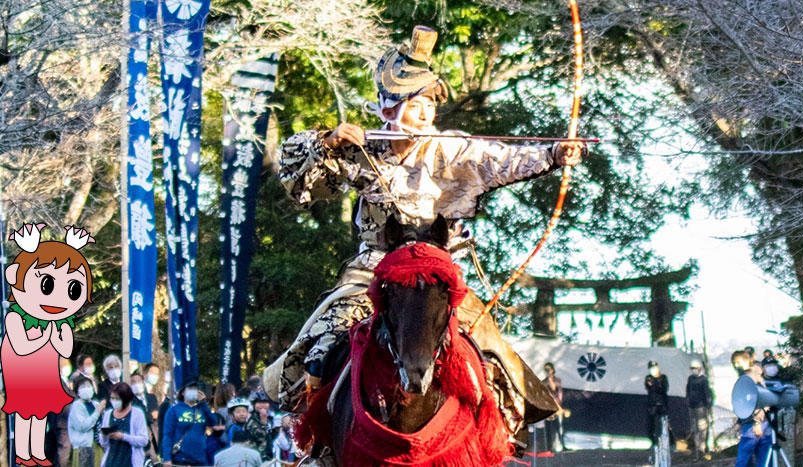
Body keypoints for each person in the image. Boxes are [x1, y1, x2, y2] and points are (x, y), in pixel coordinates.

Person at [273, 25, 584, 434]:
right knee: (326, 338)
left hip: (438, 275)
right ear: (389, 109)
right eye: (415, 106)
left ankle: (503, 425)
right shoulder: (362, 149)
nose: (426, 114)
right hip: (374, 271)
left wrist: (552, 153)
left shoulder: (450, 148)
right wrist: (327, 142)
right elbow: (297, 178)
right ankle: (316, 429)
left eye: (428, 106)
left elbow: (499, 157)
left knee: (489, 347)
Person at [2, 226, 94, 466]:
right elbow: (21, 346)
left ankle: (35, 454)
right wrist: (45, 338)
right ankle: (23, 454)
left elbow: (64, 350)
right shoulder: (15, 317)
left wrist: (61, 333)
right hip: (23, 377)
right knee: (25, 416)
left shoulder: (54, 322)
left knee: (39, 419)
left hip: (44, 380)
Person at [161, 380, 222, 467]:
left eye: (195, 389)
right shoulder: (174, 410)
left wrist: (204, 403)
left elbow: (213, 422)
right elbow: (167, 435)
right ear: (182, 392)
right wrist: (166, 458)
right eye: (190, 389)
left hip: (199, 459)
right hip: (180, 458)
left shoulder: (202, 409)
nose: (193, 391)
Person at [732, 350, 772, 467]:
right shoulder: (752, 376)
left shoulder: (751, 378)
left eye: (738, 362)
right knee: (763, 460)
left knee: (744, 459)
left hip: (754, 425)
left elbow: (761, 400)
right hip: (755, 423)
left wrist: (757, 422)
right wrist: (739, 422)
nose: (736, 365)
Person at [99, 382, 149, 467]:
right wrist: (104, 435)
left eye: (117, 399)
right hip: (111, 461)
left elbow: (144, 440)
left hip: (130, 461)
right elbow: (104, 444)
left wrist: (123, 437)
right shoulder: (108, 414)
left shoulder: (137, 413)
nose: (114, 401)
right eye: (112, 398)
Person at [68, 377, 105, 466]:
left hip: (98, 445)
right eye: (83, 387)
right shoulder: (77, 406)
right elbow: (82, 426)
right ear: (77, 391)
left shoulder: (95, 404)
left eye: (88, 386)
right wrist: (97, 413)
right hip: (84, 446)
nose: (86, 389)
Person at [685, 360, 712, 460]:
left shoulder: (703, 379)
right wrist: (688, 402)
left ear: (699, 369)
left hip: (701, 407)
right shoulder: (690, 379)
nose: (693, 371)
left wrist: (708, 406)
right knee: (694, 429)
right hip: (692, 407)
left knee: (702, 429)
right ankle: (697, 452)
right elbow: (688, 391)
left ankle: (703, 450)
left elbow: (707, 394)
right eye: (692, 369)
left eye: (695, 368)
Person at [130, 372, 159, 461]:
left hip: (155, 434)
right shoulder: (131, 401)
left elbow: (157, 414)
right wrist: (151, 416)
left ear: (143, 382)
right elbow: (147, 416)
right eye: (133, 382)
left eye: (139, 381)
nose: (137, 384)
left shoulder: (152, 397)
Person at [645, 361, 670, 447]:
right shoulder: (648, 378)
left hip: (662, 404)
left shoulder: (663, 378)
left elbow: (663, 389)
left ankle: (670, 442)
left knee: (664, 424)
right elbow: (648, 388)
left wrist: (656, 383)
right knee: (651, 426)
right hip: (652, 404)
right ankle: (654, 442)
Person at [541, 362, 564, 455]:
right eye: (546, 369)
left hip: (557, 406)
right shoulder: (544, 382)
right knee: (548, 428)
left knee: (558, 426)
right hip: (548, 407)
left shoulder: (557, 380)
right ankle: (549, 447)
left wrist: (559, 404)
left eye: (549, 369)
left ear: (552, 370)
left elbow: (558, 392)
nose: (547, 371)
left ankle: (562, 444)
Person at [245, 390, 275, 461]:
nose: (262, 405)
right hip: (257, 456)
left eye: (265, 402)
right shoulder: (252, 420)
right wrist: (263, 422)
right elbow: (260, 437)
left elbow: (272, 436)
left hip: (268, 455)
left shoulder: (270, 418)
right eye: (259, 402)